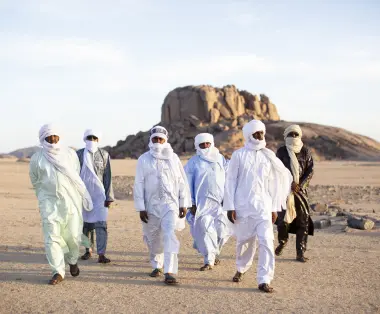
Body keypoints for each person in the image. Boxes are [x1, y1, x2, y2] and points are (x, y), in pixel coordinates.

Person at [223, 120, 292, 293]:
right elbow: (230, 181)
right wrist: (230, 206)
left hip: (263, 207)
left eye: (261, 133)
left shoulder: (268, 156)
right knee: (244, 242)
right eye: (256, 134)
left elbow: (274, 183)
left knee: (267, 241)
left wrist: (274, 207)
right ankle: (241, 268)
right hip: (243, 206)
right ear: (248, 135)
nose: (260, 136)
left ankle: (264, 279)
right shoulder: (239, 155)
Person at [29, 124, 93, 285]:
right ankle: (58, 271)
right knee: (52, 238)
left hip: (70, 203)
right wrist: (43, 198)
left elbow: (76, 175)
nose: (52, 140)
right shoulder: (37, 158)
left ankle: (72, 260)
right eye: (48, 137)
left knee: (72, 236)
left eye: (55, 136)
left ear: (59, 137)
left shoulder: (70, 154)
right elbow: (35, 181)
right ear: (42, 138)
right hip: (49, 204)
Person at [133, 126, 191, 285]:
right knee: (153, 239)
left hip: (170, 205)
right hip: (151, 206)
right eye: (155, 139)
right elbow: (139, 183)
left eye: (161, 139)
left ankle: (169, 271)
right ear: (150, 140)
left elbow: (181, 181)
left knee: (169, 235)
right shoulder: (143, 159)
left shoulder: (173, 158)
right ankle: (156, 265)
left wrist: (183, 203)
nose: (158, 142)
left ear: (165, 141)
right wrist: (141, 207)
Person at [184, 133, 231, 271]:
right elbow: (187, 183)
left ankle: (214, 252)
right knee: (205, 229)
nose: (205, 146)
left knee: (222, 232)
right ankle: (208, 260)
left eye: (207, 143)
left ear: (212, 143)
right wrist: (191, 203)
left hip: (220, 203)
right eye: (202, 144)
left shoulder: (221, 159)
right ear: (197, 145)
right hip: (201, 204)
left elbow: (229, 179)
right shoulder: (193, 162)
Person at [275, 125, 314, 262]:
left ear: (300, 135)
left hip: (300, 192)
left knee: (303, 222)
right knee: (282, 221)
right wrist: (288, 183)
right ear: (286, 136)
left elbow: (310, 171)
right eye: (291, 134)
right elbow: (277, 170)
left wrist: (300, 185)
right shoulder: (281, 152)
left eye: (296, 134)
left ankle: (300, 252)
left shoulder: (305, 152)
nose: (294, 137)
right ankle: (283, 241)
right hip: (284, 191)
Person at [77, 129, 114, 263]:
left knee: (101, 224)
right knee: (86, 226)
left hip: (100, 196)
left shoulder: (104, 154)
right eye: (89, 138)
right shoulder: (79, 154)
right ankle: (88, 250)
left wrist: (109, 197)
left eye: (94, 138)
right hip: (83, 195)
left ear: (98, 140)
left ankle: (101, 254)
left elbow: (107, 176)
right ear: (85, 139)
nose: (91, 140)